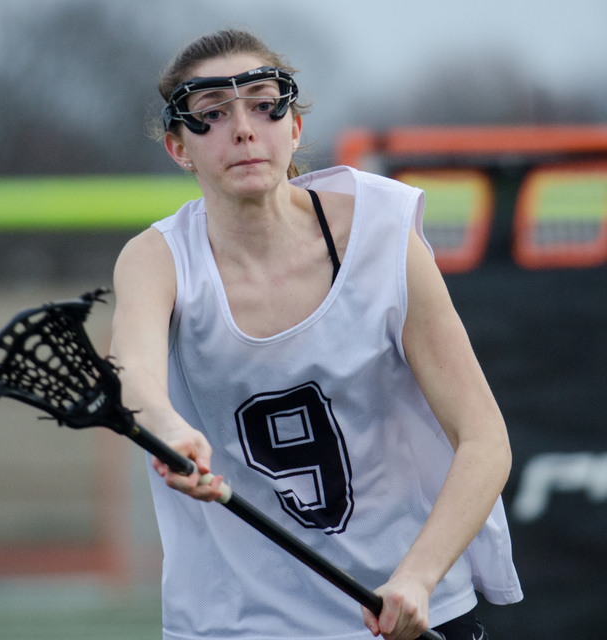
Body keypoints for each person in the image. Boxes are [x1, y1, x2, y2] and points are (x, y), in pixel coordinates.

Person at [110, 29, 522, 640]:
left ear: (294, 128)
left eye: (262, 103)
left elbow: (485, 439)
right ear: (179, 148)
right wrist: (168, 430)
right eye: (213, 115)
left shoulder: (383, 238)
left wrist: (416, 579)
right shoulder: (157, 258)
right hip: (238, 624)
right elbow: (131, 371)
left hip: (405, 606)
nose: (244, 128)